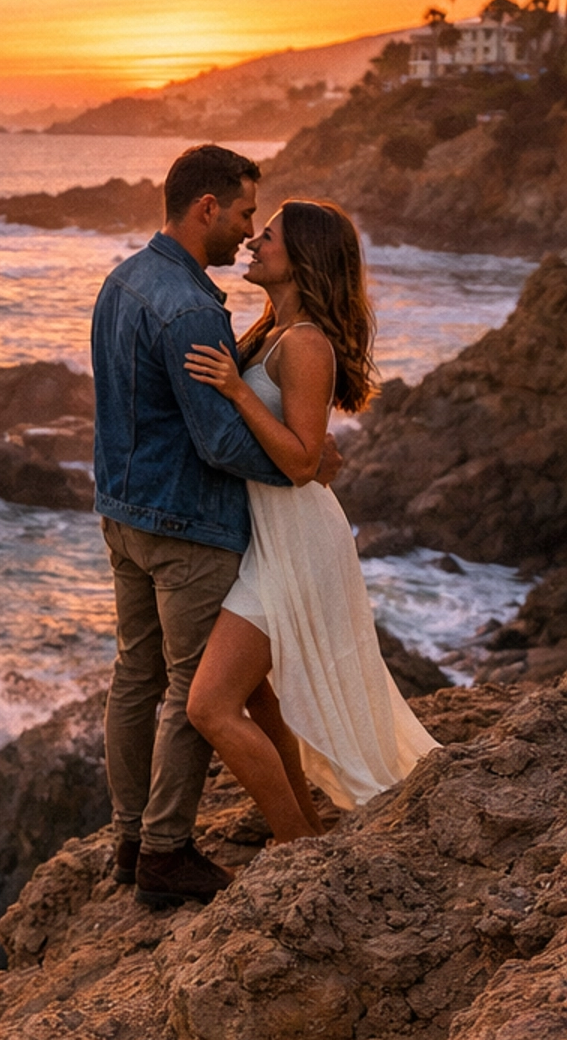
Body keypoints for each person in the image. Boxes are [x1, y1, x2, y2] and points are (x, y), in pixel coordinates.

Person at [90, 144, 338, 912]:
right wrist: (304, 467)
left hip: (122, 513)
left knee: (136, 677)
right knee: (194, 694)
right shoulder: (193, 307)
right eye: (241, 214)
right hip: (186, 525)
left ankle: (131, 837)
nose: (246, 231)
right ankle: (165, 852)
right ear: (206, 209)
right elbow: (217, 441)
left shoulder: (122, 279)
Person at [183, 199, 436, 835]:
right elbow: (313, 450)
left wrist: (238, 390)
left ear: (302, 259)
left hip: (299, 543)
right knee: (254, 692)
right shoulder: (271, 331)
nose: (252, 241)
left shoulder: (306, 344)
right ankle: (307, 832)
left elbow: (299, 464)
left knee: (210, 706)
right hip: (271, 541)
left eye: (267, 236)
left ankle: (296, 844)